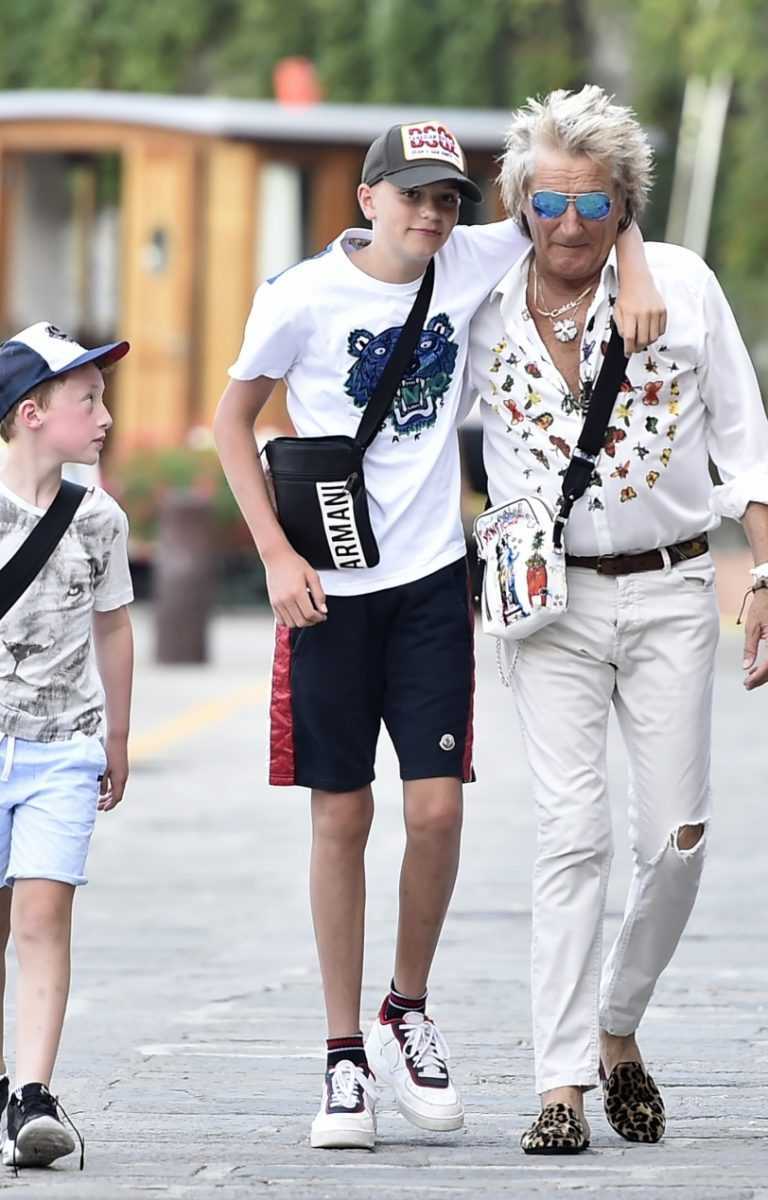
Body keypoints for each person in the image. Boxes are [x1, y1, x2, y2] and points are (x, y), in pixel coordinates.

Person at [214, 118, 664, 1151]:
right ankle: (341, 1056)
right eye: (412, 194)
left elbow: (585, 213)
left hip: (427, 586)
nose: (430, 213)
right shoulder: (299, 297)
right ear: (368, 197)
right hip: (328, 591)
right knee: (341, 816)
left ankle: (404, 1009)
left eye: (448, 199)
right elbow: (233, 422)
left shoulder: (468, 260)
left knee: (437, 812)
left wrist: (635, 262)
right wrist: (275, 555)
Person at [468, 85, 768, 1155]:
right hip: (547, 604)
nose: (569, 226)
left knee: (679, 840)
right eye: (548, 202)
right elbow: (378, 259)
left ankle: (617, 1022)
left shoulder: (680, 287)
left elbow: (744, 437)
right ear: (518, 203)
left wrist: (764, 571)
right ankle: (559, 1085)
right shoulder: (478, 299)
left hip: (674, 592)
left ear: (624, 206)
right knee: (571, 834)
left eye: (595, 205)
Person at [0, 323, 134, 1168]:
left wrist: (117, 735)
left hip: (64, 749)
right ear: (30, 413)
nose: (105, 416)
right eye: (87, 400)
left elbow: (113, 626)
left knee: (44, 915)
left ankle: (33, 1096)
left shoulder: (100, 518)